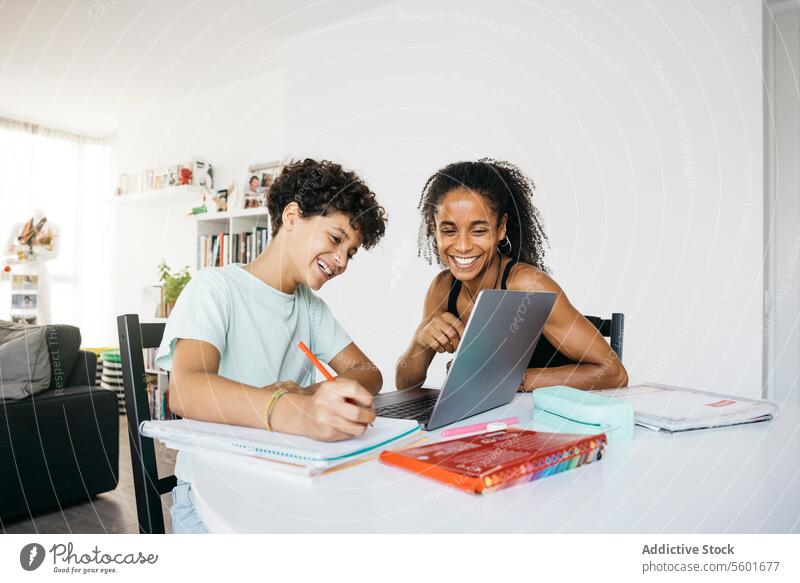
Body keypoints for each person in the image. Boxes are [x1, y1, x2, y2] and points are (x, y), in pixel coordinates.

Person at [155, 158, 388, 533]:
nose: (342, 260)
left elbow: (367, 373)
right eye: (335, 238)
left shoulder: (311, 309)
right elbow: (186, 390)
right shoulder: (215, 288)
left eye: (351, 251)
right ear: (293, 217)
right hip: (211, 490)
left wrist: (308, 393)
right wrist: (295, 409)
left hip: (283, 483)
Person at [396, 158, 628, 393]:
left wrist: (509, 380)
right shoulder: (443, 289)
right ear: (433, 229)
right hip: (497, 419)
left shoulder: (528, 285)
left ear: (502, 227)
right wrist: (420, 340)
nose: (463, 246)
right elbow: (406, 385)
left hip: (554, 418)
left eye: (478, 231)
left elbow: (614, 373)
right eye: (448, 231)